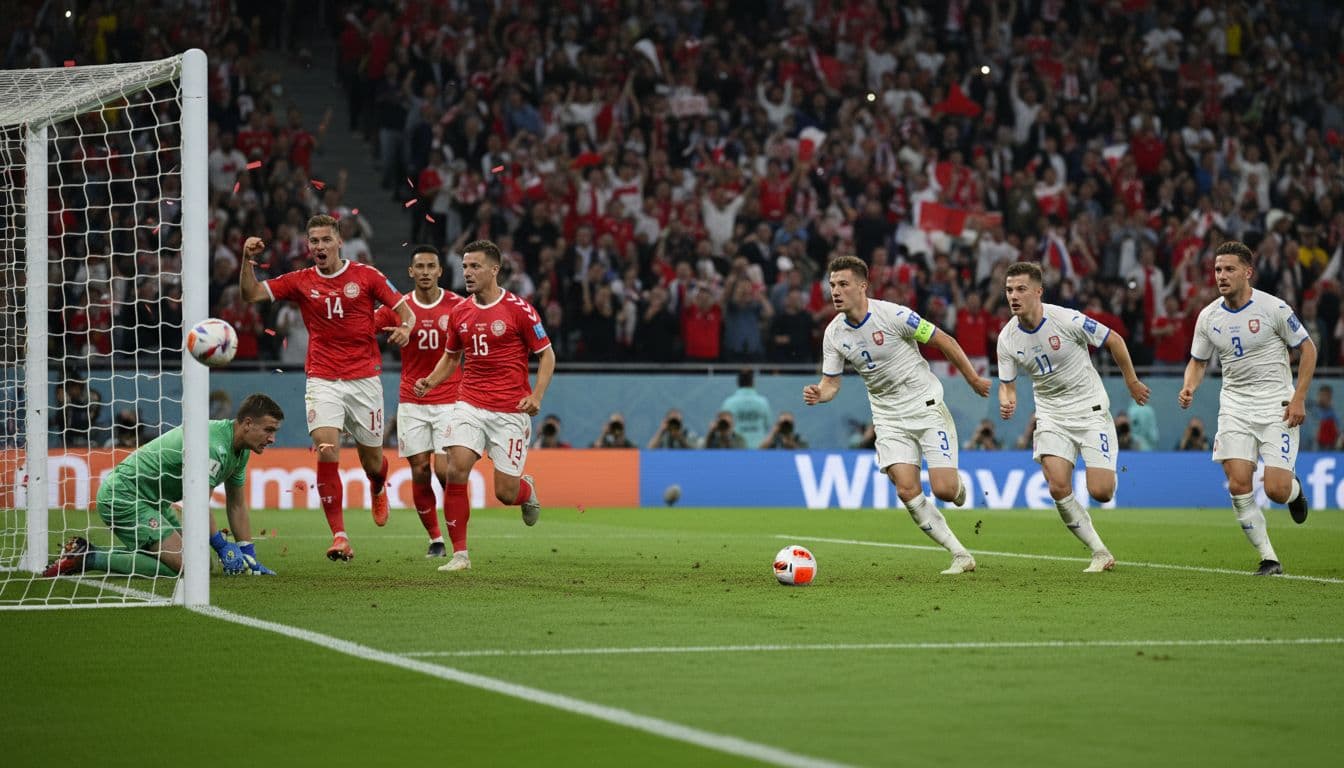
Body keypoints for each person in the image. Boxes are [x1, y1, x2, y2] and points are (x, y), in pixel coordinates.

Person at [239, 214, 415, 563]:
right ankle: (340, 536)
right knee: (326, 449)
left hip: (364, 380)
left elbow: (404, 311)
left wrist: (407, 329)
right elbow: (251, 293)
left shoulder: (367, 276)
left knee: (372, 460)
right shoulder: (301, 281)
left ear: (339, 242)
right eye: (313, 241)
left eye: (325, 240)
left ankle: (378, 484)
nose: (319, 247)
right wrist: (247, 261)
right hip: (322, 378)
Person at [804, 255, 991, 575]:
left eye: (843, 284)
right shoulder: (834, 333)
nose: (835, 291)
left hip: (926, 407)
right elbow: (832, 382)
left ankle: (956, 488)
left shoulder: (894, 315)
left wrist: (972, 379)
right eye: (832, 284)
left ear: (862, 286)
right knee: (906, 489)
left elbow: (943, 340)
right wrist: (821, 393)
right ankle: (960, 554)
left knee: (944, 490)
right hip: (889, 419)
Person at [997, 261, 1151, 573]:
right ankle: (1099, 551)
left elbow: (1114, 340)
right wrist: (1008, 401)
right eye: (1009, 289)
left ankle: (1106, 467)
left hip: (1090, 411)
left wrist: (1131, 380)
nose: (1014, 295)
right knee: (1057, 486)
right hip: (1052, 417)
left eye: (1021, 289)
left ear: (1038, 291)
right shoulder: (1007, 338)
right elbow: (1007, 385)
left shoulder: (1067, 319)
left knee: (1102, 492)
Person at [414, 239, 555, 572]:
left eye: (475, 266)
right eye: (464, 266)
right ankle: (460, 554)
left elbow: (547, 355)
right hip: (469, 403)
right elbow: (451, 358)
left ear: (495, 269)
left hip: (510, 410)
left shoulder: (519, 309)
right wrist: (432, 381)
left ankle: (526, 490)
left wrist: (536, 396)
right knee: (453, 467)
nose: (467, 272)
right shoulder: (460, 312)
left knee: (506, 492)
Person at [1179, 240, 1315, 576]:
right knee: (1239, 483)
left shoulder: (1274, 309)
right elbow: (1198, 361)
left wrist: (1299, 397)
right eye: (1217, 270)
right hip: (1235, 407)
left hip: (1276, 406)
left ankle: (1295, 490)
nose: (1221, 276)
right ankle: (1269, 558)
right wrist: (1189, 386)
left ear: (1247, 272)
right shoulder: (1208, 316)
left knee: (1276, 490)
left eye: (1229, 269)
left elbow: (1308, 349)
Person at [43, 394, 285, 578]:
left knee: (202, 565)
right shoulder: (213, 445)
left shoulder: (240, 453)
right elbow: (196, 505)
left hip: (155, 502)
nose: (272, 438)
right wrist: (221, 545)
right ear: (248, 424)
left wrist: (248, 554)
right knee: (190, 567)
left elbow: (236, 505)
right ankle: (88, 557)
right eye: (269, 430)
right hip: (125, 495)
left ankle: (90, 554)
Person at [373, 244, 465, 558]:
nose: (425, 272)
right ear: (411, 272)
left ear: (440, 271)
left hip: (450, 398)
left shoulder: (457, 306)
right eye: (419, 267)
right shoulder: (398, 307)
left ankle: (458, 535)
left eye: (431, 266)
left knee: (444, 470)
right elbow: (364, 327)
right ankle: (436, 539)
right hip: (412, 400)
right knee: (420, 470)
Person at [720, 368, 772, 448]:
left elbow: (723, 429)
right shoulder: (763, 402)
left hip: (736, 451)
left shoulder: (728, 403)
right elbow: (768, 426)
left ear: (737, 382)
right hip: (759, 450)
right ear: (753, 382)